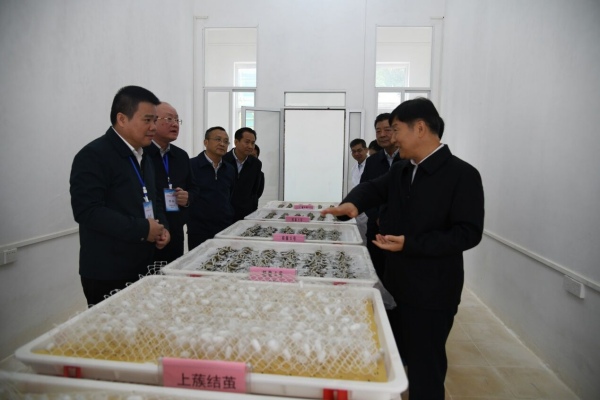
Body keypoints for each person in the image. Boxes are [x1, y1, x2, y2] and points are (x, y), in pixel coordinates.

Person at [322, 98, 484, 400]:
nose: (392, 138)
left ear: (419, 128)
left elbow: (468, 233)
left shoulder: (462, 175)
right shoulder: (402, 170)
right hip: (396, 284)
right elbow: (374, 188)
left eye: (396, 130)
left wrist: (411, 244)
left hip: (433, 292)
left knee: (425, 368)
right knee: (396, 356)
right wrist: (352, 203)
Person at [70, 85, 170, 307]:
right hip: (108, 271)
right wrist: (143, 229)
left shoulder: (144, 156)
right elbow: (87, 211)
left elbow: (153, 199)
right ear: (122, 119)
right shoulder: (94, 155)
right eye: (147, 120)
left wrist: (162, 227)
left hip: (143, 263)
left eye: (155, 120)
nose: (154, 127)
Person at [144, 102, 196, 263]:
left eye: (177, 120)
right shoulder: (142, 154)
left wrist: (188, 198)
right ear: (153, 121)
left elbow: (194, 188)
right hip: (149, 233)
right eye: (169, 119)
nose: (175, 124)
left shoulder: (181, 156)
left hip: (175, 232)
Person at [360, 113, 403, 279]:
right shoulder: (372, 161)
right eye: (378, 131)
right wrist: (377, 216)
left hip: (401, 230)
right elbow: (366, 192)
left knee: (398, 274)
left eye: (387, 129)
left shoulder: (408, 159)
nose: (382, 134)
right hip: (376, 228)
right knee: (376, 270)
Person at [187, 127, 235, 250]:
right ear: (206, 142)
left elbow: (230, 195)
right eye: (218, 139)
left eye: (226, 141)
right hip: (199, 228)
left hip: (224, 227)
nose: (222, 144)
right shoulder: (191, 166)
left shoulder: (229, 169)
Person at [223, 127, 263, 221]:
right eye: (247, 142)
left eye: (253, 143)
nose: (250, 146)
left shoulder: (256, 164)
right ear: (236, 142)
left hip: (246, 214)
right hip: (224, 213)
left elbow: (255, 191)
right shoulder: (223, 160)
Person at [348, 138, 369, 244]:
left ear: (366, 150)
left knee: (370, 239)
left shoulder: (372, 165)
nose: (356, 154)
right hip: (358, 209)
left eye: (359, 150)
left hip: (369, 209)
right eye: (354, 151)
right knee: (360, 238)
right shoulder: (354, 168)